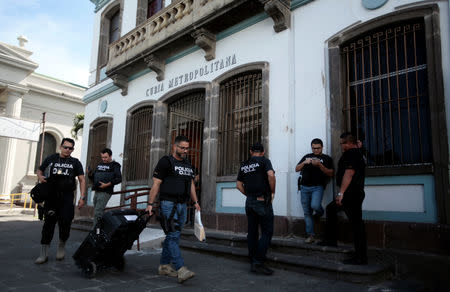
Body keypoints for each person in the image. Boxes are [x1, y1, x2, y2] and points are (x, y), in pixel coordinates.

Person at [145, 135, 201, 283]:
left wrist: (195, 201)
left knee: (173, 235)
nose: (185, 150)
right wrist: (150, 204)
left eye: (187, 148)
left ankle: (164, 266)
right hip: (168, 204)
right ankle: (181, 268)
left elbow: (190, 185)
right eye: (182, 147)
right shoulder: (166, 161)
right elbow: (156, 184)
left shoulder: (188, 164)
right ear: (174, 147)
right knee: (173, 234)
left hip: (183, 205)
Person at [318, 132, 368, 265]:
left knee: (357, 224)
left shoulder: (351, 153)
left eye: (342, 143)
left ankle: (361, 257)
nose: (341, 146)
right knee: (331, 209)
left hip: (351, 193)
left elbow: (349, 173)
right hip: (354, 192)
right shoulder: (359, 153)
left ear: (348, 143)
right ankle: (331, 240)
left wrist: (341, 193)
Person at [35, 138, 86, 264]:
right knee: (48, 225)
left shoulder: (75, 162)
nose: (68, 150)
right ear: (60, 147)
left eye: (70, 148)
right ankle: (43, 253)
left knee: (65, 224)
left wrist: (82, 197)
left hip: (67, 198)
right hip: (51, 198)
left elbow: (82, 180)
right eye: (65, 147)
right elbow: (40, 170)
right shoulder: (51, 158)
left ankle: (61, 247)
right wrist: (40, 177)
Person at [236, 142, 276, 275]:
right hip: (262, 200)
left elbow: (238, 185)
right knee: (267, 231)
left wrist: (248, 195)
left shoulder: (245, 164)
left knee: (252, 232)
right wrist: (272, 192)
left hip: (250, 201)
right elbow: (271, 175)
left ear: (250, 151)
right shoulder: (265, 161)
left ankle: (253, 259)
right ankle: (258, 262)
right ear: (263, 151)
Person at [295, 138, 334, 243]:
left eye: (317, 148)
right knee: (307, 213)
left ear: (322, 147)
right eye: (313, 148)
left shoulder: (326, 158)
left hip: (318, 187)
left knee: (315, 206)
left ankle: (319, 213)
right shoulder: (307, 156)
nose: (315, 150)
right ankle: (310, 236)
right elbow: (296, 169)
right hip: (304, 187)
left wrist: (320, 165)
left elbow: (331, 173)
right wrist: (304, 162)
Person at [88, 148, 122, 227]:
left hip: (105, 191)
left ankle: (95, 231)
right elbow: (93, 178)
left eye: (105, 157)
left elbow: (119, 179)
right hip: (97, 190)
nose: (104, 159)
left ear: (110, 156)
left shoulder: (115, 165)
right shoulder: (100, 165)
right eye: (102, 157)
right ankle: (99, 229)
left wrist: (107, 185)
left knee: (98, 211)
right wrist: (90, 174)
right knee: (97, 211)